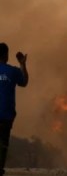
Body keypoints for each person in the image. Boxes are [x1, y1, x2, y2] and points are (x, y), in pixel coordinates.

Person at [0, 43, 27, 175]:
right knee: (3, 143)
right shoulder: (12, 71)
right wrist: (22, 64)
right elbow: (24, 82)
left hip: (6, 114)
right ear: (6, 55)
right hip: (6, 114)